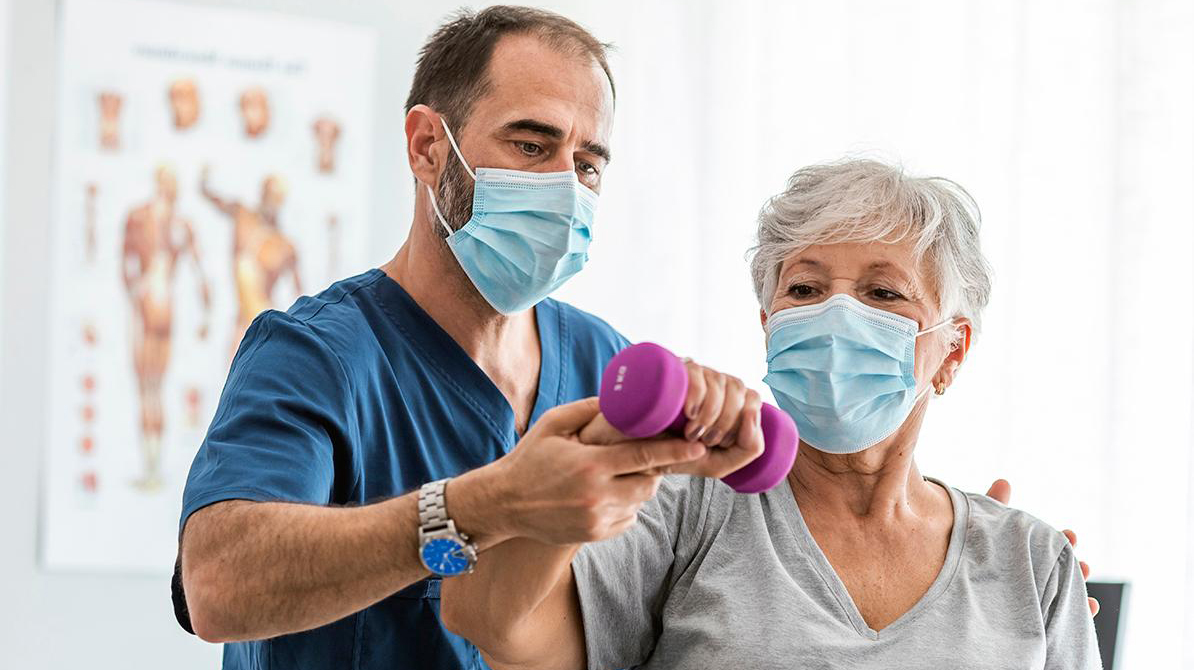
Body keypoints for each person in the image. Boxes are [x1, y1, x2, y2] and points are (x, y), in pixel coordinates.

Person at [174, 7, 1093, 670]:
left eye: (588, 161)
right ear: (427, 146)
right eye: (532, 145)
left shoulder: (604, 363)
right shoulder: (322, 355)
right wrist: (487, 505)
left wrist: (992, 573)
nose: (565, 185)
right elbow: (216, 587)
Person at [440, 159, 1102, 669]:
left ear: (951, 351)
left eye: (882, 292)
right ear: (769, 325)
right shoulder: (685, 509)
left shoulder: (1031, 558)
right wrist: (595, 462)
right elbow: (492, 624)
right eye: (806, 288)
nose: (837, 316)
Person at [121, 164, 210, 490]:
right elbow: (127, 267)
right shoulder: (145, 219)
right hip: (154, 303)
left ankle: (153, 468)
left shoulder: (173, 225)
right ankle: (152, 467)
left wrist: (206, 314)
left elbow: (200, 272)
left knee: (150, 388)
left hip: (153, 307)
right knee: (150, 388)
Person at [199, 168, 301, 359]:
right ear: (262, 193)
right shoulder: (243, 217)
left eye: (278, 197)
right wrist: (204, 182)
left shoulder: (285, 246)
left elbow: (299, 294)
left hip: (265, 323)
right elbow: (215, 199)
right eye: (270, 194)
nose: (272, 201)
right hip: (241, 321)